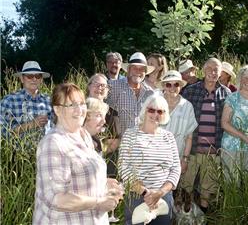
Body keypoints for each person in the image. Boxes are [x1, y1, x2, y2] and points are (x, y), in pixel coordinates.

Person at [33, 83, 122, 224]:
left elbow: (80, 178)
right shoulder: (53, 143)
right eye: (72, 105)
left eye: (82, 103)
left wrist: (103, 184)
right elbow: (56, 199)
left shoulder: (84, 135)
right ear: (57, 110)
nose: (79, 110)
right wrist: (98, 202)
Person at [118, 94, 181, 225]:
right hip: (137, 197)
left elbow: (176, 168)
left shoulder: (169, 137)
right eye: (151, 110)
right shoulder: (130, 135)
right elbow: (123, 168)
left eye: (160, 111)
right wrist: (145, 192)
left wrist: (160, 192)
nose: (155, 114)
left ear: (164, 114)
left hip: (163, 198)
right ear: (145, 110)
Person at [181, 58, 231, 212]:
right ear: (203, 70)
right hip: (192, 149)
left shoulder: (226, 93)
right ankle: (184, 216)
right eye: (209, 68)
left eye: (216, 69)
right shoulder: (190, 91)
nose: (212, 72)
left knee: (207, 191)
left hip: (213, 151)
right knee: (186, 187)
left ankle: (203, 217)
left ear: (220, 72)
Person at [157, 70, 198, 174]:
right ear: (163, 86)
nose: (172, 88)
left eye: (176, 84)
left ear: (180, 86)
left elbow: (189, 136)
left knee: (170, 189)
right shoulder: (154, 103)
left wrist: (185, 159)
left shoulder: (187, 106)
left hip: (176, 159)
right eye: (168, 84)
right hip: (154, 156)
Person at [0, 61, 52, 142]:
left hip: (47, 152)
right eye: (30, 76)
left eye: (38, 76)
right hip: (18, 153)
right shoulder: (9, 101)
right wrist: (31, 125)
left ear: (41, 79)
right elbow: (2, 132)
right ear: (22, 79)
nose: (34, 79)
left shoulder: (49, 101)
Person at [106, 52, 155, 138]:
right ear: (128, 70)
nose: (138, 71)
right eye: (134, 68)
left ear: (145, 72)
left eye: (141, 69)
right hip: (120, 143)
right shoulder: (113, 87)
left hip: (142, 143)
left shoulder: (150, 93)